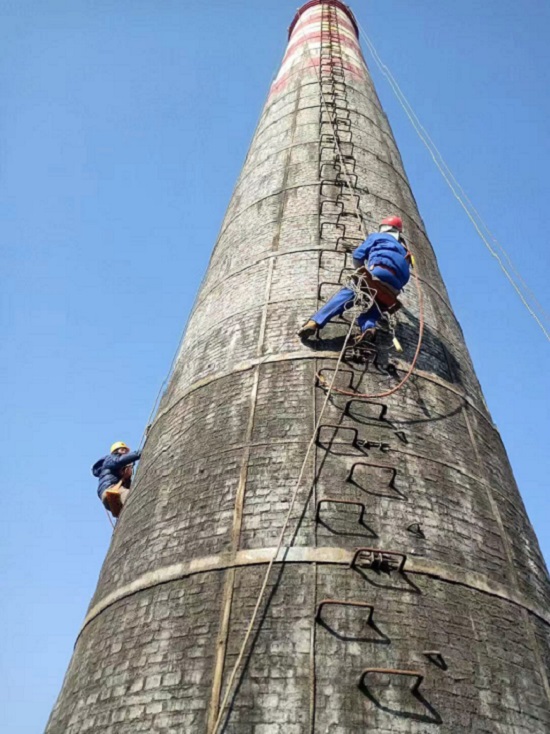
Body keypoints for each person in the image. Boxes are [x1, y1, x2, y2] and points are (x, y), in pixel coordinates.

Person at [298, 216, 412, 343]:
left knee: (350, 291)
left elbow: (358, 255)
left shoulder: (377, 237)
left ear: (383, 228)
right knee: (377, 306)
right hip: (395, 288)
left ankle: (315, 322)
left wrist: (361, 272)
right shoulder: (406, 252)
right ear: (398, 232)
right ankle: (369, 328)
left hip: (380, 271)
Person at [92, 441, 142, 517]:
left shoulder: (119, 470)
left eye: (126, 450)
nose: (125, 452)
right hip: (112, 490)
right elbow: (119, 460)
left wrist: (127, 477)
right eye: (122, 450)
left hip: (111, 496)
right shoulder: (110, 459)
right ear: (115, 451)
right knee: (133, 497)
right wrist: (138, 454)